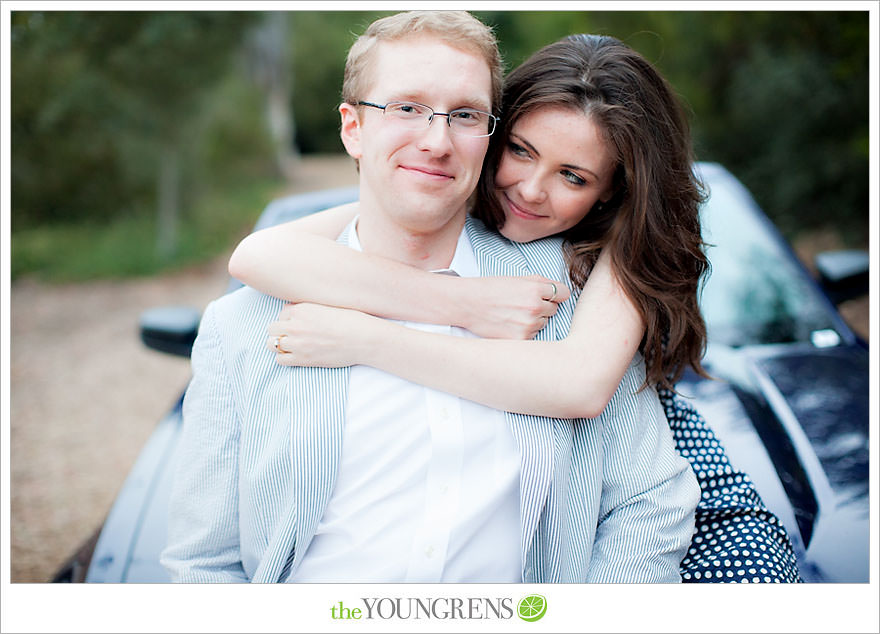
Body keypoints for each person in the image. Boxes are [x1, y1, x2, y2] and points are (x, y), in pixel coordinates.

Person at [229, 26, 801, 582]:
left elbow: (578, 386)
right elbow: (260, 255)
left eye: (573, 177)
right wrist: (462, 302)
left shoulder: (607, 256)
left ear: (612, 192)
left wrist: (367, 341)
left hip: (674, 478)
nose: (530, 190)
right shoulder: (446, 197)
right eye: (521, 152)